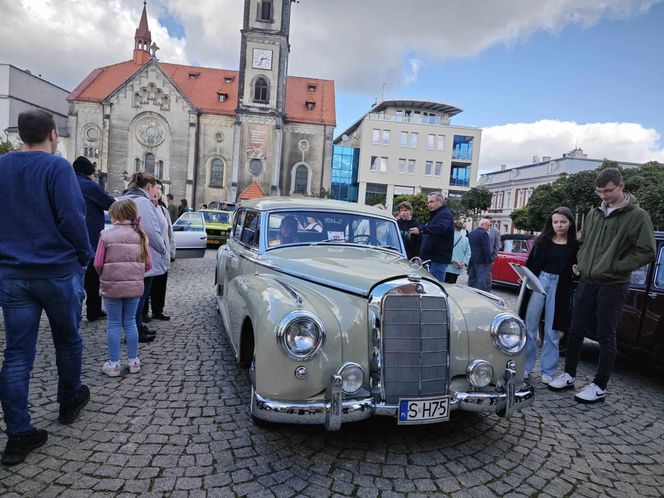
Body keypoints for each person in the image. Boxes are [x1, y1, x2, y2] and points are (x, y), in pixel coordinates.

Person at [0, 110, 91, 466]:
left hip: (12, 275)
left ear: (22, 135)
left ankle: (19, 433)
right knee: (67, 340)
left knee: (17, 354)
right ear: (53, 135)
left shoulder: (3, 166)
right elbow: (72, 216)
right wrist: (83, 254)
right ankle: (69, 400)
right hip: (57, 271)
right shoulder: (57, 169)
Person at [549, 168, 656, 403]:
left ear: (620, 186)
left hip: (614, 283)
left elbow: (647, 251)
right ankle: (569, 373)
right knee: (575, 329)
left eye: (607, 191)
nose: (603, 196)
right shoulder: (594, 213)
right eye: (599, 191)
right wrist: (582, 263)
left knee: (606, 334)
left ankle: (599, 385)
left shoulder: (638, 216)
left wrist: (615, 266)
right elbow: (585, 240)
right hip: (587, 279)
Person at [95, 199, 153, 377]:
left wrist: (104, 275)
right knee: (130, 322)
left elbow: (98, 263)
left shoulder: (105, 235)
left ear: (116, 216)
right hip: (134, 286)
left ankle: (113, 364)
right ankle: (134, 361)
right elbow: (149, 265)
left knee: (113, 323)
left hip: (112, 285)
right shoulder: (141, 236)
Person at [521, 207, 579, 385]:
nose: (559, 225)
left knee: (552, 331)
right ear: (551, 223)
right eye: (555, 222)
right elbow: (530, 265)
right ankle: (526, 367)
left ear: (570, 223)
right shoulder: (542, 241)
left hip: (560, 287)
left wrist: (577, 272)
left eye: (563, 222)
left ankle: (548, 371)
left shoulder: (575, 246)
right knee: (529, 326)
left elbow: (578, 270)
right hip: (539, 282)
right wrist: (526, 283)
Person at [119, 172, 168, 342]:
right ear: (149, 186)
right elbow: (151, 231)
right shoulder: (143, 202)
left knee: (136, 295)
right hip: (144, 254)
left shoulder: (125, 199)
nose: (156, 190)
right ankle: (135, 330)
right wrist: (163, 248)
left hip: (129, 254)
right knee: (140, 294)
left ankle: (137, 326)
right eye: (155, 186)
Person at [73, 156, 115, 322]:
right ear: (90, 172)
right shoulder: (89, 185)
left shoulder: (67, 182)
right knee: (92, 277)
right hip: (90, 238)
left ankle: (71, 314)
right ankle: (94, 310)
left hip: (68, 240)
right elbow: (110, 203)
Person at [143, 181, 175, 322]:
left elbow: (169, 232)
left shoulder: (163, 210)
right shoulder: (145, 208)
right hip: (149, 253)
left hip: (162, 254)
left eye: (160, 189)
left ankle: (158, 310)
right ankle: (143, 314)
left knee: (160, 284)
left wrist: (171, 251)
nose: (157, 192)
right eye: (155, 189)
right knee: (145, 286)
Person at [409, 192, 454, 281]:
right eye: (428, 202)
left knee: (434, 286)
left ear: (440, 201)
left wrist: (421, 229)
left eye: (431, 202)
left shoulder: (444, 214)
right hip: (430, 259)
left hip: (437, 259)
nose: (429, 204)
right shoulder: (437, 214)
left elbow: (440, 228)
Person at [467, 219, 493, 291]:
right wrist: (490, 261)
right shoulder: (484, 234)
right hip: (482, 261)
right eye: (488, 225)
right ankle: (478, 295)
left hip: (472, 259)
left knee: (472, 278)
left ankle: (470, 292)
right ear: (482, 225)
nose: (489, 227)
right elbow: (486, 249)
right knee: (481, 280)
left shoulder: (472, 233)